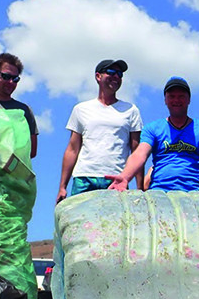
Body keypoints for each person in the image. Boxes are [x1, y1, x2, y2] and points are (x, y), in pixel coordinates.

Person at [106, 77, 199, 194]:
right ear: (165, 100)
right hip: (159, 193)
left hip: (192, 194)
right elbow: (140, 154)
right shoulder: (153, 128)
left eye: (181, 96)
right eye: (171, 96)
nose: (176, 100)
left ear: (189, 99)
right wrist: (125, 177)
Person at [56, 59, 143, 203]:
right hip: (84, 177)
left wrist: (140, 188)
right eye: (111, 72)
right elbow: (72, 149)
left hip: (116, 179)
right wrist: (62, 187)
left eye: (119, 74)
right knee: (81, 223)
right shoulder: (81, 109)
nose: (116, 77)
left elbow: (137, 151)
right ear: (98, 76)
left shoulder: (131, 110)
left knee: (115, 224)